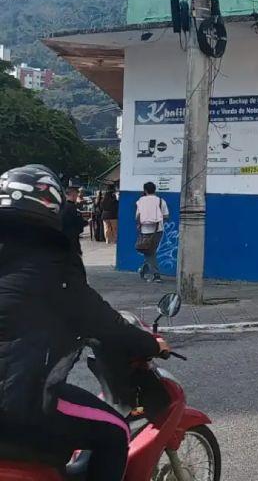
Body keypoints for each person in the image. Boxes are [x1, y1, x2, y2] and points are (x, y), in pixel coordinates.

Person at [0, 164, 167, 481]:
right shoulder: (51, 263)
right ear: (52, 206)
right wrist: (150, 344)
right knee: (115, 431)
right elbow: (101, 321)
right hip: (19, 403)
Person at [135, 182, 169, 282]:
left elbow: (137, 216)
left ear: (145, 190)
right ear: (155, 190)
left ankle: (146, 270)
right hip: (158, 230)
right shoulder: (161, 201)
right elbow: (166, 216)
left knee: (149, 252)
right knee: (150, 251)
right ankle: (155, 274)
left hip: (144, 230)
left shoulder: (140, 201)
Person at [61, 184, 87, 257]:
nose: (76, 198)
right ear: (73, 195)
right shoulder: (72, 207)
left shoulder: (62, 206)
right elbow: (78, 222)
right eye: (76, 195)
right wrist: (85, 222)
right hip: (72, 236)